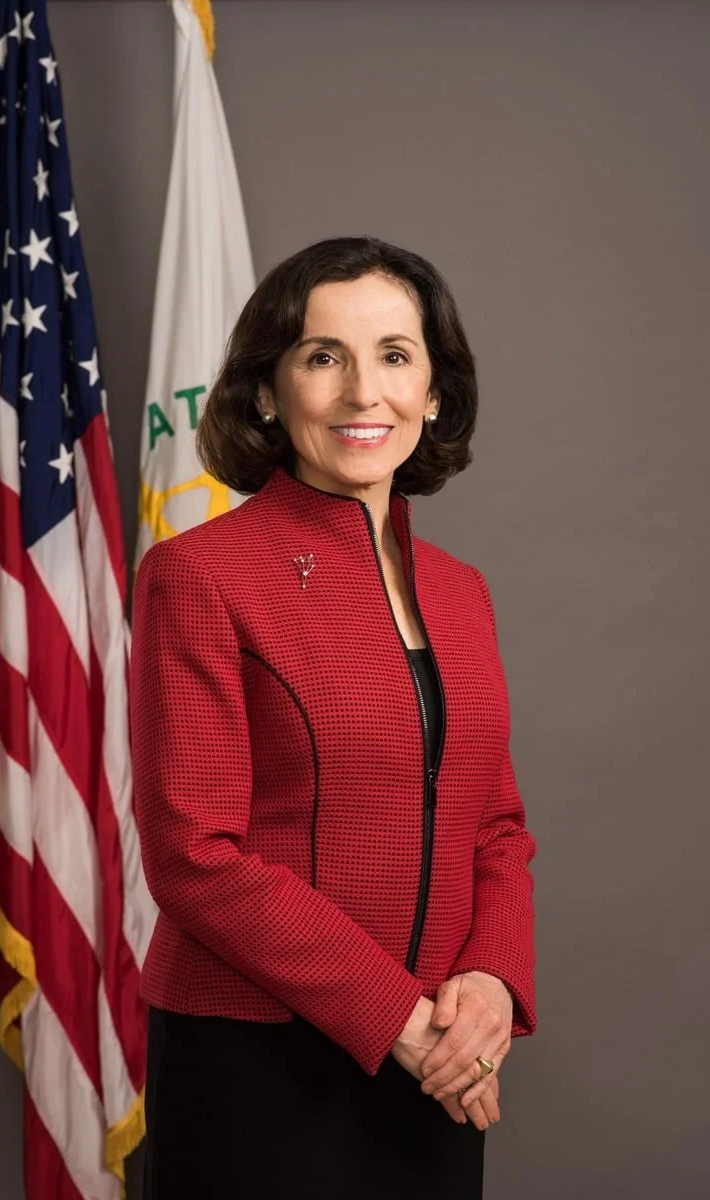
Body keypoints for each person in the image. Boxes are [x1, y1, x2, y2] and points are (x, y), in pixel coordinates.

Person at [130, 235, 537, 1198]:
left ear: (433, 392)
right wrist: (397, 1019)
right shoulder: (198, 576)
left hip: (442, 1059)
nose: (364, 393)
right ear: (269, 392)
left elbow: (495, 827)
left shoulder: (463, 591)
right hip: (255, 1063)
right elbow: (194, 854)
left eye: (395, 356)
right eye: (324, 357)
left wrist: (489, 984)